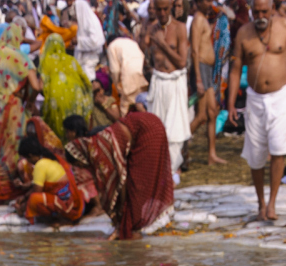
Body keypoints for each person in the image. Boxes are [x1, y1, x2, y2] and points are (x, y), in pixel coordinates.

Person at [227, 0, 286, 222]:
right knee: (255, 154)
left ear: (272, 10)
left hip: (281, 95)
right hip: (254, 99)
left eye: (265, 11)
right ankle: (260, 203)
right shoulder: (244, 33)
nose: (260, 16)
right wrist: (231, 103)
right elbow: (235, 69)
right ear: (251, 11)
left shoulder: (285, 27)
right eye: (256, 12)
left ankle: (272, 203)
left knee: (279, 149)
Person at [65, 107, 175, 236]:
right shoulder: (95, 145)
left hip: (148, 131)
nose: (82, 166)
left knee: (138, 186)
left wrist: (122, 212)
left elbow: (119, 183)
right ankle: (132, 225)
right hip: (148, 124)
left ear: (80, 156)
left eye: (79, 163)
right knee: (135, 184)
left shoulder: (98, 152)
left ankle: (133, 227)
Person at [0, 21, 40, 203]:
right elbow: (35, 86)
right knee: (11, 149)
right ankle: (14, 190)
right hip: (14, 108)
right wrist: (28, 101)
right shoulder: (21, 57)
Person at [143, 0, 189, 175]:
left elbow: (182, 62)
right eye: (158, 9)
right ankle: (160, 176)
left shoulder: (179, 28)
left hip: (175, 83)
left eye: (164, 9)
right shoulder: (152, 29)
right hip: (158, 83)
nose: (161, 13)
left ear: (170, 8)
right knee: (156, 133)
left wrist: (162, 44)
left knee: (174, 134)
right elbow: (145, 52)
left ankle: (170, 174)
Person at [16, 130, 85, 221]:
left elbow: (37, 192)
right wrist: (24, 198)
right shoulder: (49, 157)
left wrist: (22, 208)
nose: (28, 161)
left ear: (30, 155)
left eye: (27, 158)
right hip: (71, 201)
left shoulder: (40, 165)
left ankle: (56, 218)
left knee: (34, 199)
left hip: (66, 205)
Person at [190, 0, 227, 166]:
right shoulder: (198, 19)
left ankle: (212, 155)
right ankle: (176, 148)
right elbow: (195, 51)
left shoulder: (204, 18)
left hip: (207, 70)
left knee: (212, 113)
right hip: (202, 69)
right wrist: (198, 78)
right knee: (201, 116)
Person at [39, 32, 93, 139]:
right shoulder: (71, 60)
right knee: (74, 129)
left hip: (56, 100)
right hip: (76, 99)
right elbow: (86, 81)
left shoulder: (46, 60)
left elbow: (40, 86)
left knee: (57, 133)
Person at [106, 25, 148, 109]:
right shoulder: (130, 42)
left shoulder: (111, 46)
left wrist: (118, 88)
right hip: (142, 73)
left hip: (129, 75)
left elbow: (115, 71)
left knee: (127, 106)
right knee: (142, 103)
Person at [75, 0, 105, 75]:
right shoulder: (82, 22)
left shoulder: (92, 21)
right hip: (82, 61)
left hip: (89, 61)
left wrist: (78, 41)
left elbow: (96, 41)